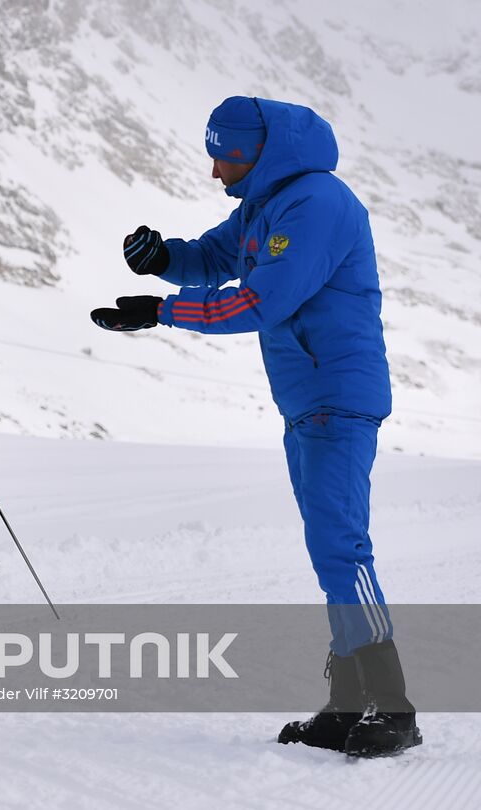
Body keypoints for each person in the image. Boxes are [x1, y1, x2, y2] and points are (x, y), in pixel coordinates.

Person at [90, 96, 419, 756]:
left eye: (228, 155)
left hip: (337, 396)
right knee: (331, 553)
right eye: (214, 154)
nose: (217, 170)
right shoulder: (266, 207)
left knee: (342, 548)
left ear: (262, 152)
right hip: (306, 401)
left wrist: (164, 312)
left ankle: (393, 707)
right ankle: (349, 700)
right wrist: (164, 258)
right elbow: (215, 258)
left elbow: (260, 300)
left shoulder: (318, 205)